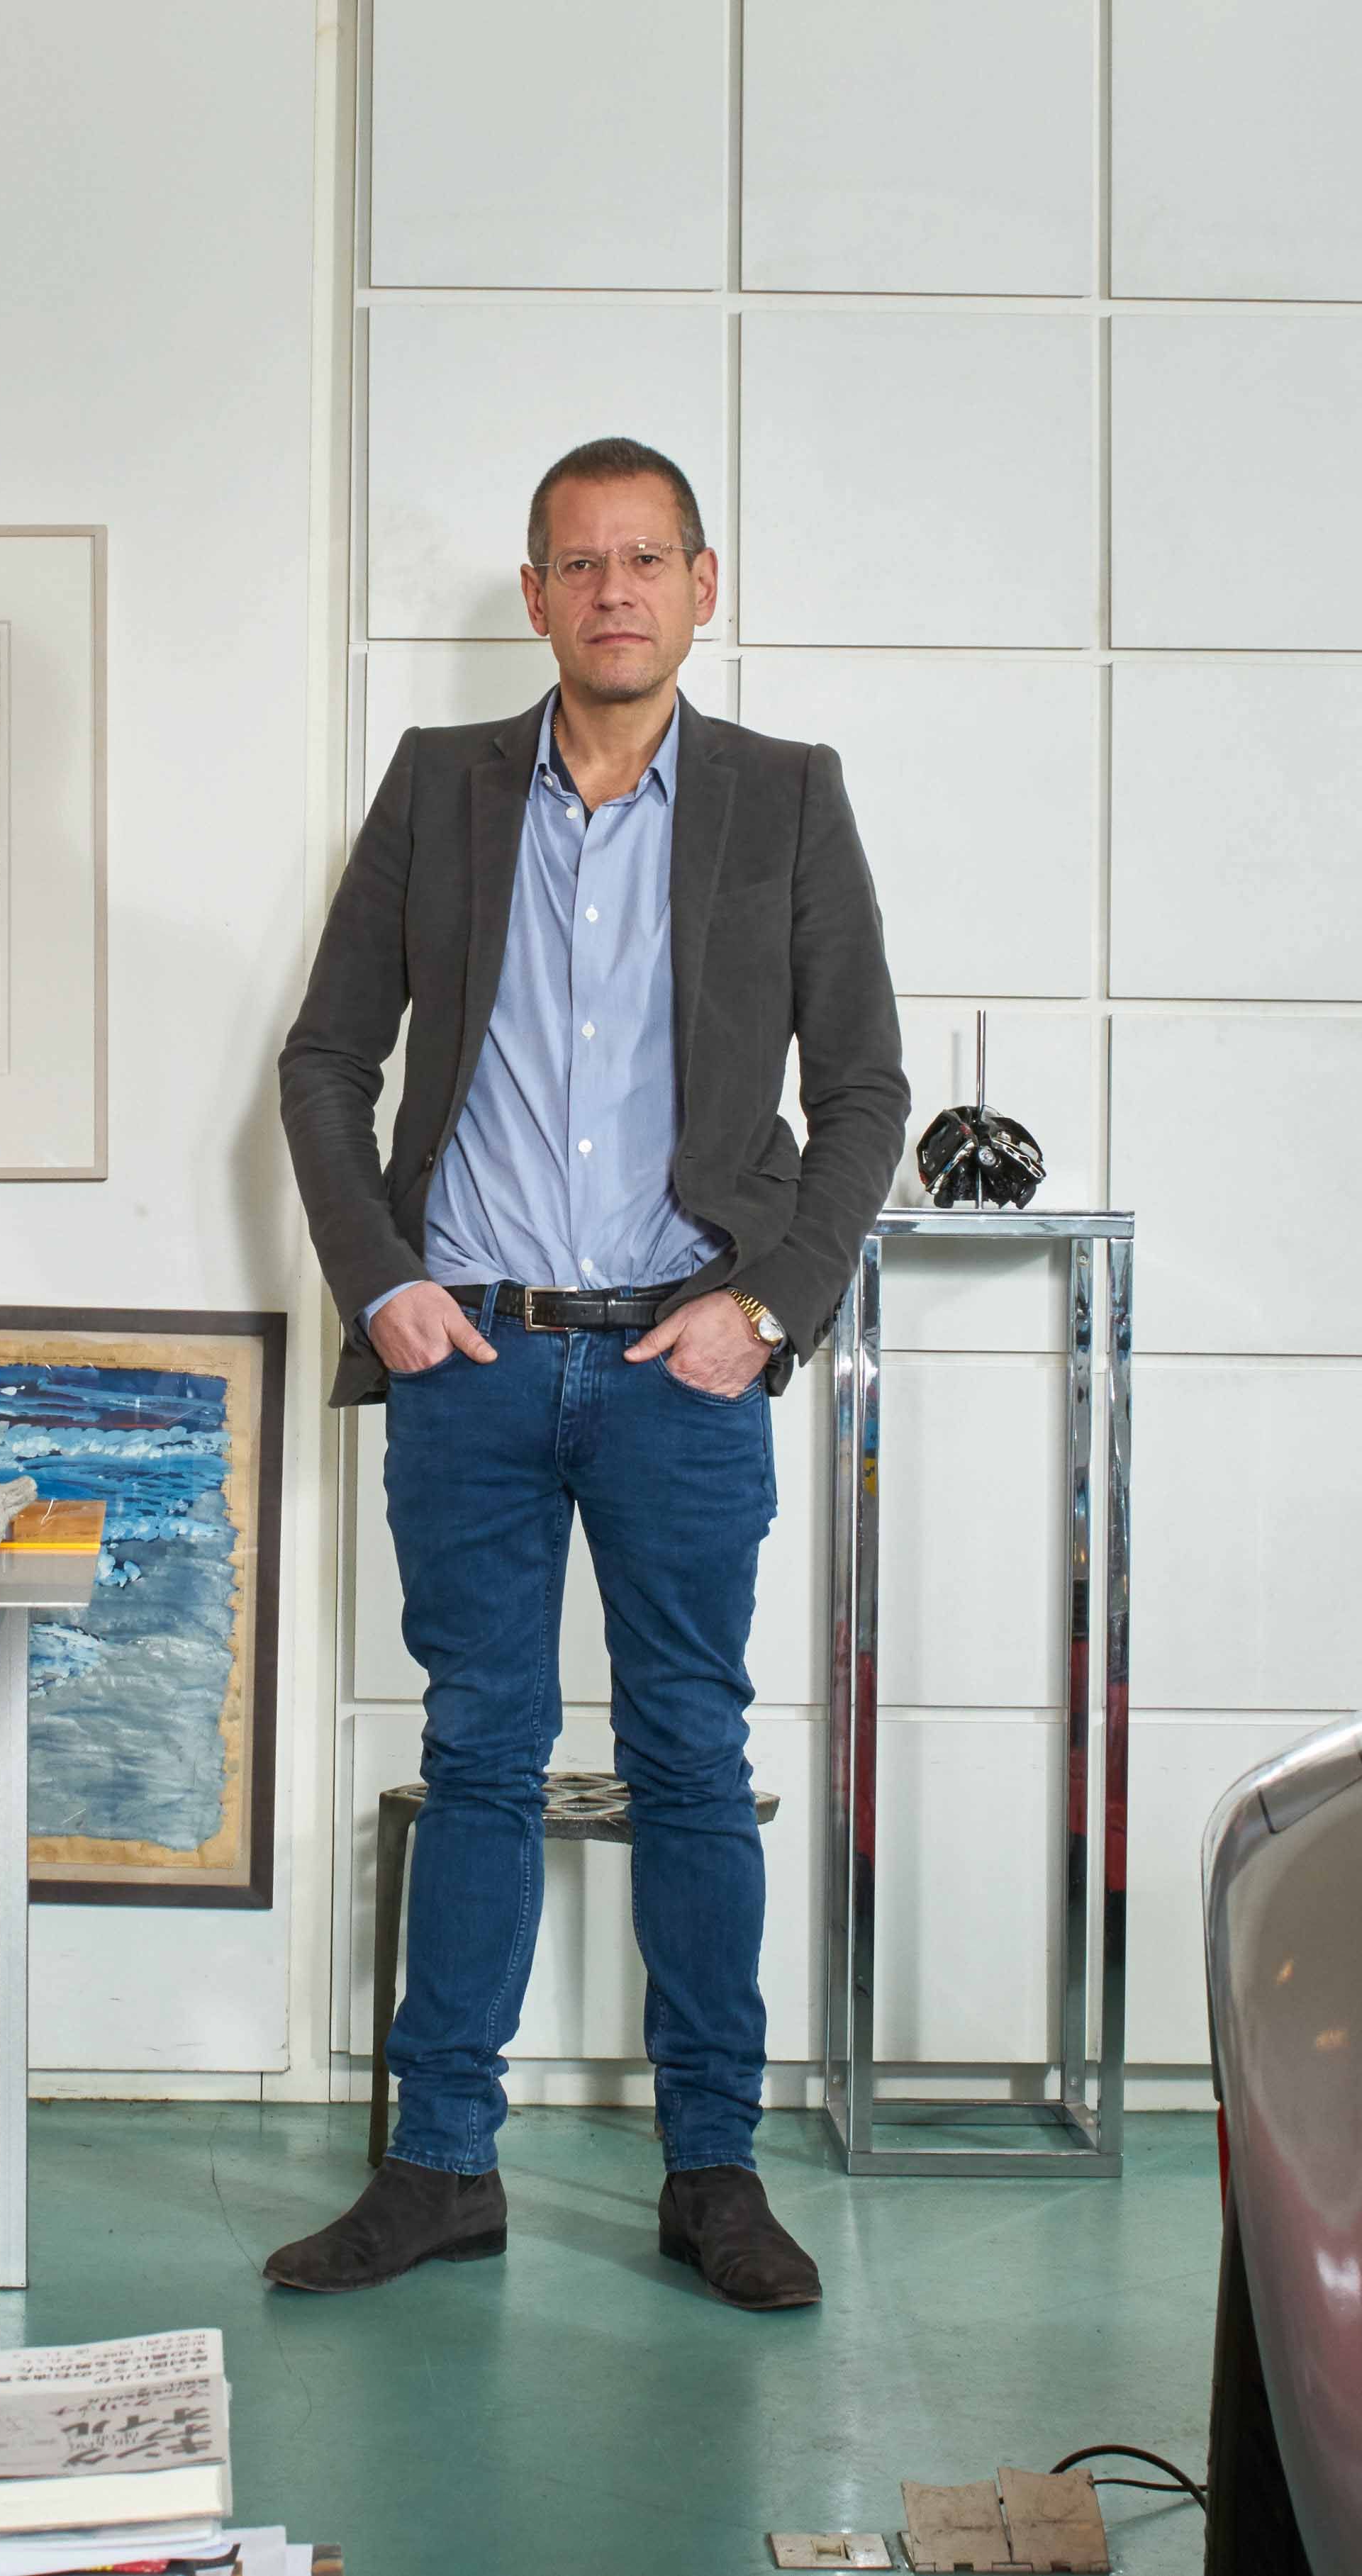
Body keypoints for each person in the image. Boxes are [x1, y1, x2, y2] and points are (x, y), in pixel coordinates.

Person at [271, 435, 905, 2310]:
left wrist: (766, 1305)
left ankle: (713, 2172)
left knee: (689, 1758)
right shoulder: (440, 787)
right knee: (475, 1749)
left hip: (677, 1364)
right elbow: (327, 1061)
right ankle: (438, 2167)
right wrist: (381, 1281)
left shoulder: (785, 797)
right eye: (579, 562)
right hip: (468, 1353)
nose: (613, 590)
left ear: (702, 586)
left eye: (646, 559)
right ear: (538, 596)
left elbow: (862, 1090)